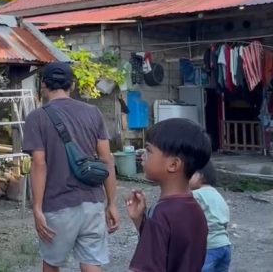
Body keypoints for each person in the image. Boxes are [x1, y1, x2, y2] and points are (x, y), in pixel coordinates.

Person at [22, 62, 119, 272]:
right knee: (92, 262)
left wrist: (37, 208)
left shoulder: (36, 118)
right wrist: (112, 203)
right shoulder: (93, 112)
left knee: (52, 263)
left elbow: (39, 163)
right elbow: (107, 159)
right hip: (93, 200)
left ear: (43, 85)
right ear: (72, 86)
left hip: (58, 203)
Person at [126, 118, 211, 272]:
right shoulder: (195, 210)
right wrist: (140, 221)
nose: (142, 156)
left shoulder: (161, 213)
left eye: (149, 150)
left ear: (173, 165)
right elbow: (170, 250)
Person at [190, 161, 231, 272]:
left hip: (208, 247)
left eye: (190, 174)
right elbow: (225, 220)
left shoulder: (195, 195)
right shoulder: (217, 195)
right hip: (225, 245)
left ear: (201, 175)